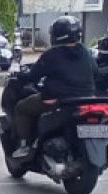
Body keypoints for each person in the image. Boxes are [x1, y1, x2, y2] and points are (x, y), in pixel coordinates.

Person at [11, 15, 99, 159]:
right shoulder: (86, 52)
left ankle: (25, 145)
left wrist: (21, 76)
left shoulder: (52, 55)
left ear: (56, 35)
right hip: (87, 98)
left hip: (59, 99)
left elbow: (33, 76)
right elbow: (96, 72)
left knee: (21, 107)